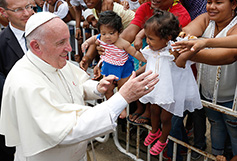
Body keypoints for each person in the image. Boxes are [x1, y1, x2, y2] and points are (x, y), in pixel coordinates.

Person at [0, 12, 159, 161]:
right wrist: (123, 97)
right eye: (61, 42)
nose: (69, 48)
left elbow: (75, 84)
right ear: (36, 46)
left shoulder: (50, 58)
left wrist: (97, 88)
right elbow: (66, 130)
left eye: (67, 40)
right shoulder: (24, 82)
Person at [172, 0, 237, 159]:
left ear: (234, 4)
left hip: (232, 98)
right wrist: (185, 40)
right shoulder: (206, 18)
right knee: (216, 126)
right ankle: (216, 156)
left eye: (219, 2)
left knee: (234, 133)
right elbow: (185, 33)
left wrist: (196, 48)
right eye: (209, 2)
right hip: (208, 93)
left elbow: (229, 55)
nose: (212, 6)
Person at [136, 10, 202, 156]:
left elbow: (191, 48)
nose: (148, 41)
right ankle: (154, 131)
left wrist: (190, 40)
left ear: (167, 38)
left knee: (166, 117)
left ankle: (163, 139)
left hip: (171, 90)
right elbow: (147, 62)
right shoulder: (151, 49)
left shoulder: (175, 49)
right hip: (156, 87)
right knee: (153, 110)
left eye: (151, 38)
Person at [81, 11, 146, 118]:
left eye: (111, 33)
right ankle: (113, 107)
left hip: (123, 67)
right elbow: (93, 39)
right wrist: (86, 43)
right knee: (107, 88)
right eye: (104, 33)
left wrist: (146, 59)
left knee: (122, 89)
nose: (107, 37)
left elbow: (134, 52)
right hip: (109, 66)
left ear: (119, 31)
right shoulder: (100, 38)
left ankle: (122, 109)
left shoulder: (123, 43)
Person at [0, 0, 35, 160]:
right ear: (4, 12)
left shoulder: (47, 34)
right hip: (18, 120)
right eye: (19, 9)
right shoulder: (1, 44)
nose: (27, 13)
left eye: (29, 7)